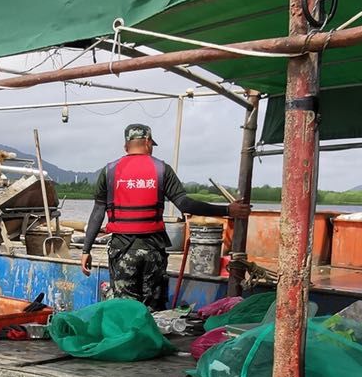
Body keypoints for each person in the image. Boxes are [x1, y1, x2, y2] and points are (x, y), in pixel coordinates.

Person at [80, 123, 250, 309]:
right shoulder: (162, 169)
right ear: (147, 142)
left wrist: (86, 250)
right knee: (151, 308)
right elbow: (185, 204)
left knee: (124, 308)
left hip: (122, 250)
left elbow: (98, 212)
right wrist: (227, 210)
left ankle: (126, 336)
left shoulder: (109, 171)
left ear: (126, 145)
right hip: (153, 251)